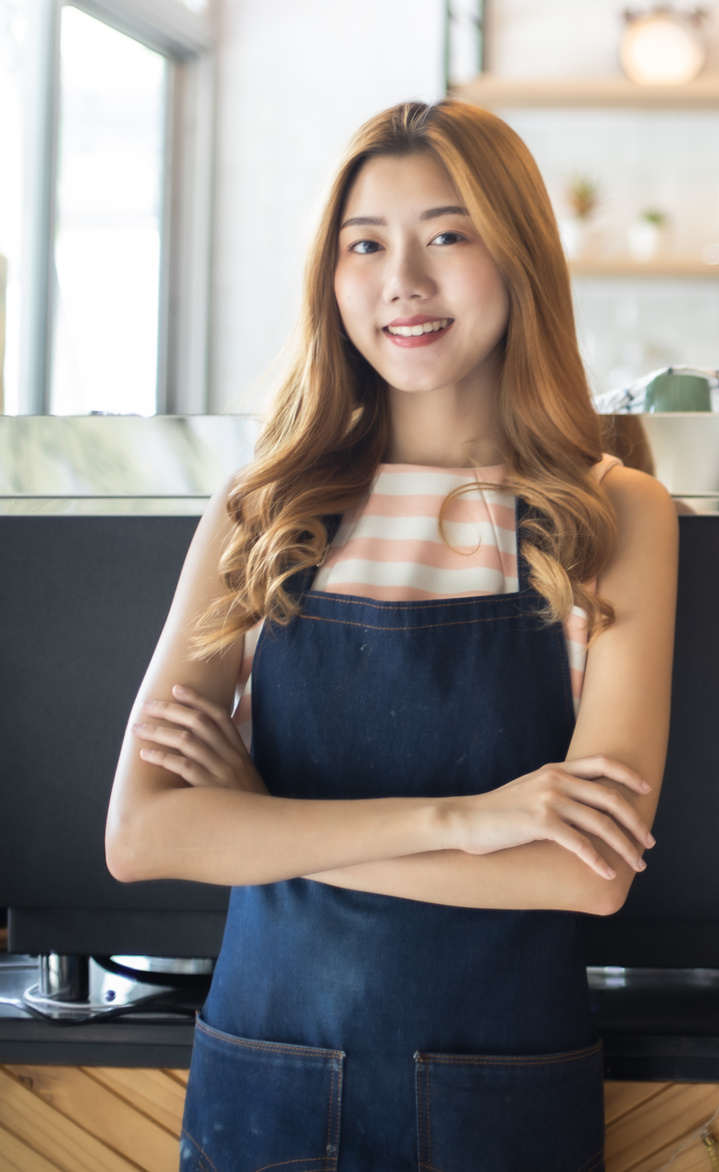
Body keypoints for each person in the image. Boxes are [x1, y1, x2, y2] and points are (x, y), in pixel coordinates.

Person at [103, 99, 678, 1171]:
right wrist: (470, 820)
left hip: (499, 1100)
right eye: (364, 244)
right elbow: (143, 836)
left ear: (520, 258)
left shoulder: (612, 512)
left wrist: (265, 824)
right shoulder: (262, 507)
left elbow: (585, 869)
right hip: (265, 1084)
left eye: (446, 236)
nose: (401, 280)